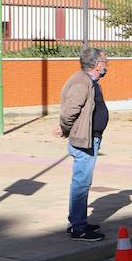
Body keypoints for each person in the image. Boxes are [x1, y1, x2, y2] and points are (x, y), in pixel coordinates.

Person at [53, 47, 110, 241]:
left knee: (82, 182)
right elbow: (69, 112)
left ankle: (79, 221)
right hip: (84, 140)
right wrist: (65, 128)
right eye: (105, 62)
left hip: (89, 138)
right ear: (96, 65)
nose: (107, 66)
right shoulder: (81, 82)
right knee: (81, 183)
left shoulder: (89, 81)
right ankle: (78, 227)